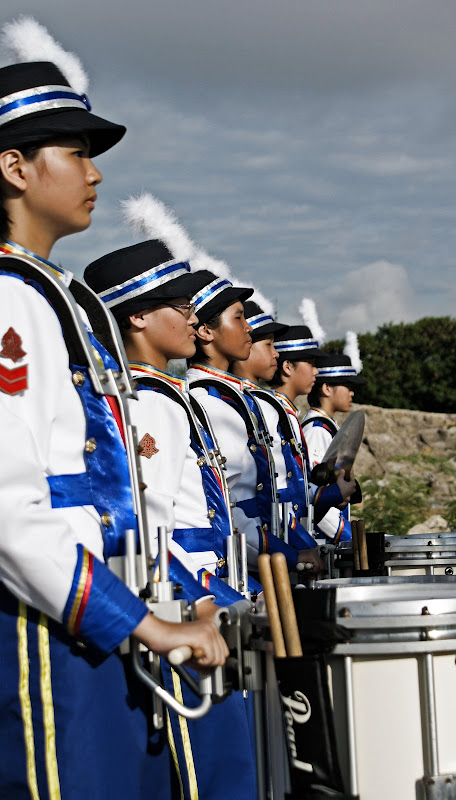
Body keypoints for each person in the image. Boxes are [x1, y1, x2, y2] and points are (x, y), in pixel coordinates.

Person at [0, 19, 226, 799]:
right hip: (46, 630)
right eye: (75, 152)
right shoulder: (8, 300)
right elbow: (10, 509)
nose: (94, 173)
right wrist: (144, 624)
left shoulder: (52, 294)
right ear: (15, 167)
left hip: (98, 621)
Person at [84, 198, 257, 800]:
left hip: (207, 586)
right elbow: (147, 527)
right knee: (210, 771)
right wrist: (203, 599)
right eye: (179, 307)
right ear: (137, 317)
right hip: (183, 599)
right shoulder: (147, 402)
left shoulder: (167, 393)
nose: (191, 318)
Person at [186, 267, 317, 573]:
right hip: (229, 564)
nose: (248, 329)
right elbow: (226, 508)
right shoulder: (207, 400)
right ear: (205, 331)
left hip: (256, 552)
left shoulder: (231, 397)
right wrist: (289, 555)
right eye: (239, 318)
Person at [231, 298, 322, 570]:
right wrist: (293, 554)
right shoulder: (228, 402)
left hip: (270, 542)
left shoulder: (258, 403)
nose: (276, 354)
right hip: (247, 555)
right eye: (269, 345)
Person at [268, 322, 357, 534]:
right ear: (287, 367)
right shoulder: (315, 429)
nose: (316, 371)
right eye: (310, 363)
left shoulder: (288, 415)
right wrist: (345, 536)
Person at [302, 335, 364, 543]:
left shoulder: (327, 427)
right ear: (327, 388)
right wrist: (350, 538)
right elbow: (316, 496)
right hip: (323, 541)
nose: (352, 393)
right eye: (347, 386)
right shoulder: (317, 430)